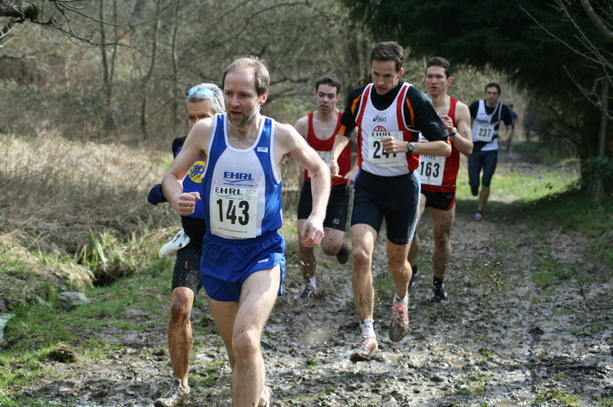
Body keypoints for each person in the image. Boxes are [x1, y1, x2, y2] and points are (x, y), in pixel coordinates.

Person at [162, 56, 330, 407]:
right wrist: (177, 196)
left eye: (244, 95)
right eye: (229, 94)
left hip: (262, 253)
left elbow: (319, 169)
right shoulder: (206, 132)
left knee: (246, 339)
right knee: (236, 354)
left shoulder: (280, 135)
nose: (234, 102)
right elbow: (171, 177)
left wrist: (316, 216)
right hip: (217, 251)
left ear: (262, 96)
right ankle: (260, 391)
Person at [329, 41, 451, 362]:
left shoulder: (413, 99)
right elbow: (345, 128)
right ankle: (367, 334)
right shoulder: (359, 96)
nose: (381, 81)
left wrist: (407, 146)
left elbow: (444, 146)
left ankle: (400, 301)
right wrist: (334, 156)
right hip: (369, 185)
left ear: (400, 72)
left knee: (398, 265)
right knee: (360, 254)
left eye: (387, 75)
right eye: (375, 74)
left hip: (403, 189)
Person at [147, 84, 225, 407]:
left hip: (231, 246)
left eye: (203, 117)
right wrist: (167, 192)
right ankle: (180, 385)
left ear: (220, 115)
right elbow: (176, 179)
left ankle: (250, 380)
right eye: (191, 117)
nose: (196, 124)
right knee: (180, 306)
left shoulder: (237, 145)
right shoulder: (182, 145)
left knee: (237, 323)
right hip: (194, 242)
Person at [406, 57, 473, 303]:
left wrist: (452, 131)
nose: (433, 81)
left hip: (444, 183)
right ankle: (412, 272)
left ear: (448, 81)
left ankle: (438, 282)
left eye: (439, 77)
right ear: (425, 78)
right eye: (430, 76)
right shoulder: (413, 104)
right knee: (410, 227)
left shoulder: (460, 110)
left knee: (441, 237)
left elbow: (468, 149)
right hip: (417, 180)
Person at [293, 75, 355, 300]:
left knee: (330, 247)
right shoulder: (303, 124)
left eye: (330, 96)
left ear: (337, 98)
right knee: (304, 239)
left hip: (338, 189)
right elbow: (287, 147)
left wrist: (354, 170)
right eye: (321, 95)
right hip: (311, 186)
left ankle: (340, 246)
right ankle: (309, 286)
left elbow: (365, 149)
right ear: (315, 95)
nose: (325, 100)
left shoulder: (347, 123)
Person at [468, 83, 514, 221]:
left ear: (498, 95)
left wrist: (507, 138)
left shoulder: (502, 109)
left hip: (491, 149)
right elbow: (463, 119)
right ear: (485, 93)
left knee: (486, 180)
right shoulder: (476, 106)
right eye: (489, 93)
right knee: (474, 183)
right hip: (474, 149)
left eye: (494, 93)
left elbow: (509, 127)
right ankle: (474, 188)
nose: (491, 96)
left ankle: (480, 211)